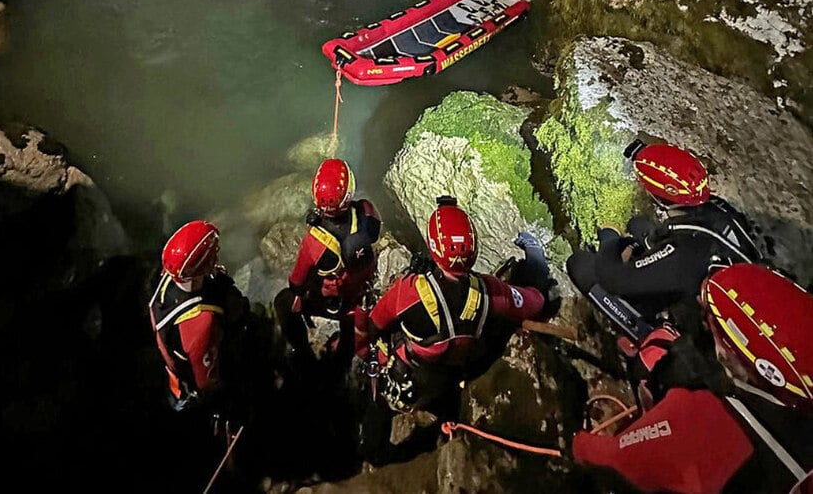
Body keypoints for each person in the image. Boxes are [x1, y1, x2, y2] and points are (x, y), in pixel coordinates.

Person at [572, 263, 813, 494]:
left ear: (733, 355)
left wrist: (577, 444)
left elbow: (610, 459)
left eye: (711, 319)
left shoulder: (696, 415)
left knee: (651, 357)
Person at [359, 195, 556, 413]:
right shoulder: (490, 293)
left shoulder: (409, 291)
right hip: (452, 374)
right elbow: (535, 302)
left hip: (414, 378)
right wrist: (535, 255)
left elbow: (375, 323)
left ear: (433, 246)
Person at [567, 140, 762, 321]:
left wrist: (609, 238)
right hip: (722, 268)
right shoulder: (719, 207)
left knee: (580, 265)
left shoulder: (679, 251)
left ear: (660, 197)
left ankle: (649, 329)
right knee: (637, 225)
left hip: (699, 306)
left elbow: (613, 279)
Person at [274, 158, 382, 367]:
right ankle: (347, 348)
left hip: (333, 298)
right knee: (350, 328)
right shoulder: (367, 212)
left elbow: (297, 280)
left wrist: (319, 223)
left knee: (285, 301)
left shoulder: (314, 241)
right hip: (360, 292)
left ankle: (303, 353)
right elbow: (373, 231)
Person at [148, 220, 249, 413]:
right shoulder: (202, 320)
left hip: (173, 360)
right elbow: (207, 381)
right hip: (192, 382)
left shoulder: (165, 278)